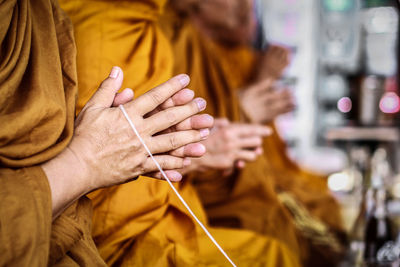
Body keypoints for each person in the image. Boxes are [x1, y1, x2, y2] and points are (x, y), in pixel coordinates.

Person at [61, 0, 302, 265]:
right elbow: (92, 172)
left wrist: (188, 143)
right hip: (127, 233)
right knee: (275, 254)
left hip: (175, 207)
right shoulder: (101, 30)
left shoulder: (159, 28)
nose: (246, 5)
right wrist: (186, 153)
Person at [0, 0, 213, 265]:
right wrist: (84, 162)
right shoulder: (98, 26)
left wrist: (140, 141)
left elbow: (46, 139)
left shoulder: (41, 13)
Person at [162, 0, 346, 266]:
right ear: (195, 3)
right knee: (276, 239)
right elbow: (193, 129)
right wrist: (242, 107)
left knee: (324, 205)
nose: (246, 4)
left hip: (252, 173)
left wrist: (256, 87)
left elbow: (263, 149)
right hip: (209, 190)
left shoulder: (237, 55)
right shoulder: (173, 37)